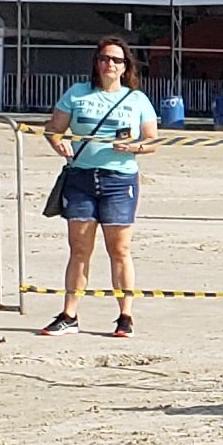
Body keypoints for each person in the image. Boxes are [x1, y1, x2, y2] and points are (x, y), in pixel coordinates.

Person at [38, 37, 160, 336]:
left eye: (117, 60)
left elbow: (152, 141)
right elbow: (53, 129)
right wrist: (59, 144)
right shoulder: (78, 94)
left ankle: (125, 316)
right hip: (80, 177)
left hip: (119, 179)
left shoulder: (136, 99)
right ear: (97, 62)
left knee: (119, 249)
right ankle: (69, 315)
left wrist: (133, 148)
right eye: (105, 59)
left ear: (125, 66)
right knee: (79, 249)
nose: (110, 65)